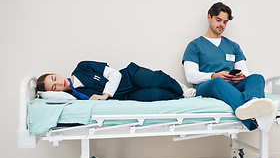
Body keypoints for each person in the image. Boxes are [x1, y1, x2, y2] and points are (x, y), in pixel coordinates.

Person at [182, 2, 280, 133]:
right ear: (209, 17)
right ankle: (254, 118)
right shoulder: (195, 45)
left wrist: (242, 76)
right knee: (218, 81)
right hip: (208, 86)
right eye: (218, 20)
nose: (221, 24)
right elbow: (191, 76)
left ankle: (253, 103)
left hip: (231, 85)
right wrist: (213, 75)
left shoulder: (233, 46)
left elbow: (245, 72)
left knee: (257, 77)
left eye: (225, 22)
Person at [37, 61, 195, 101]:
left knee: (154, 78)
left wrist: (105, 94)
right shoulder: (75, 97)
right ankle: (180, 96)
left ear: (54, 73)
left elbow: (114, 75)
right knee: (156, 95)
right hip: (125, 95)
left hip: (128, 76)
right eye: (54, 87)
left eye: (54, 79)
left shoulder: (82, 67)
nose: (59, 83)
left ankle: (181, 88)